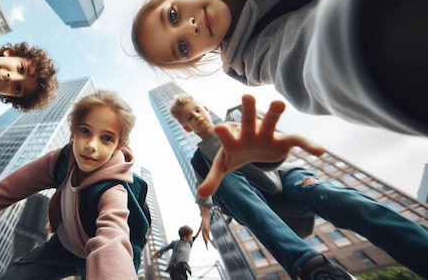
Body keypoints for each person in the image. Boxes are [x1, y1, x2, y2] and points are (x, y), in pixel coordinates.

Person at [131, 0, 428, 137]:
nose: (190, 27)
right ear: (197, 57)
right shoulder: (252, 59)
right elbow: (309, 65)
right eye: (182, 47)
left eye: (172, 15)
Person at [169, 93, 428, 279]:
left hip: (284, 179)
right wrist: (204, 220)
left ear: (205, 107)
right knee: (222, 175)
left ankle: (419, 246)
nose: (197, 117)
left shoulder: (235, 126)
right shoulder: (198, 159)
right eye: (190, 118)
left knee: (341, 200)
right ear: (186, 126)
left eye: (198, 111)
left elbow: (274, 151)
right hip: (256, 204)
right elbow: (204, 195)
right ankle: (312, 267)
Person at [0, 90, 139, 279]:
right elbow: (7, 189)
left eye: (107, 138)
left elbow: (113, 238)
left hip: (97, 258)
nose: (91, 145)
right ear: (73, 131)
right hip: (60, 247)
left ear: (119, 146)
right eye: (85, 131)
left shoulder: (113, 188)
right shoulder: (59, 161)